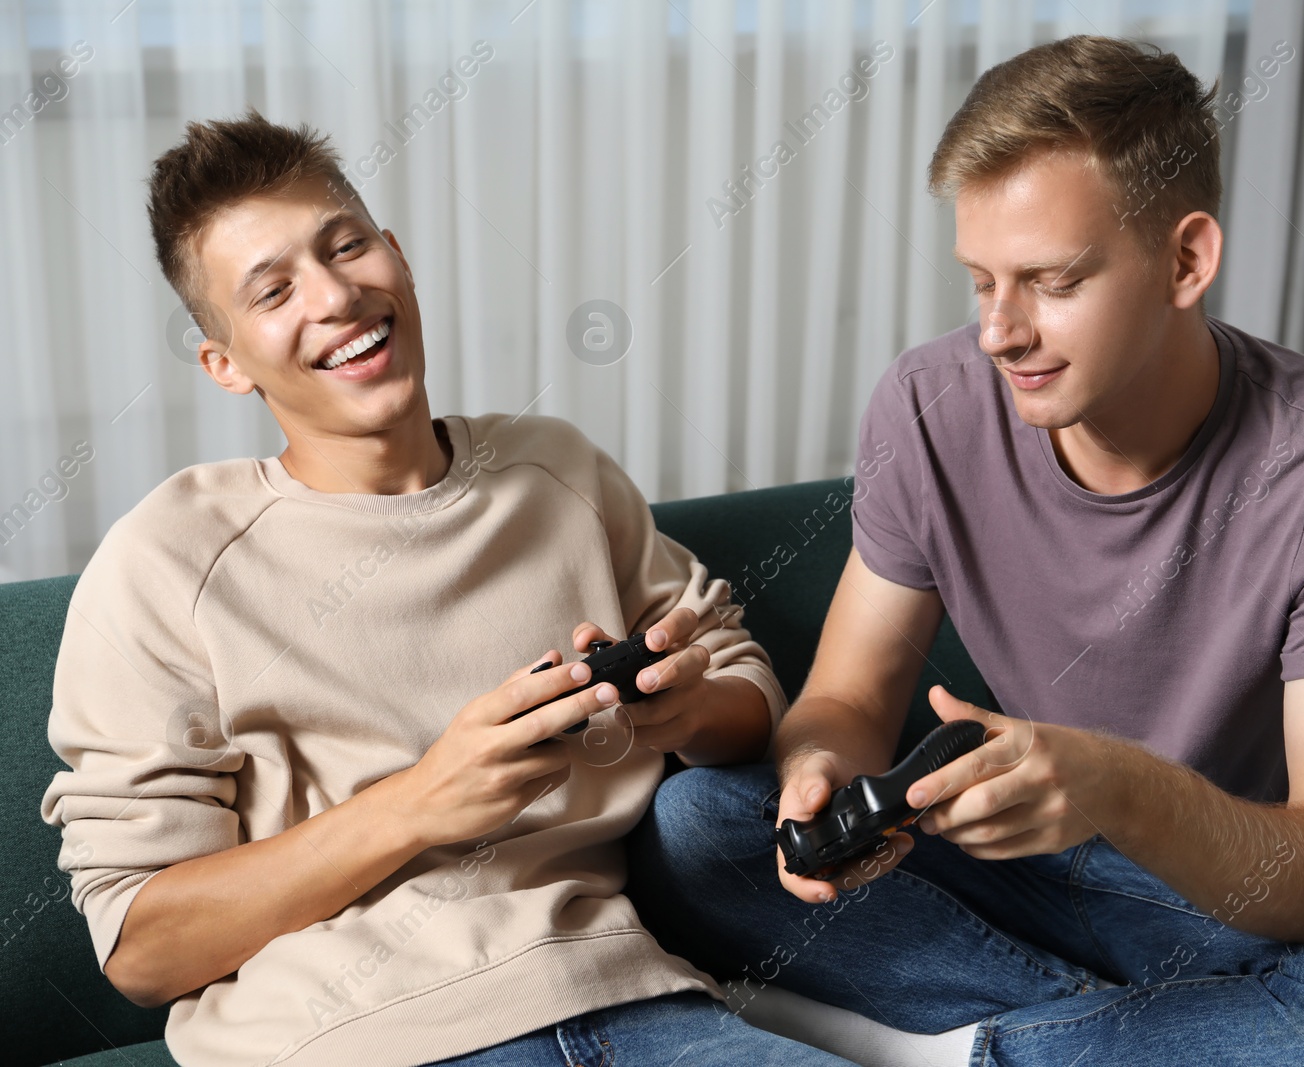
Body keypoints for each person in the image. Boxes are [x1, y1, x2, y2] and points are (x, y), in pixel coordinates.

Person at [628, 35, 1304, 1066]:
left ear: (1185, 260)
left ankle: (949, 1046)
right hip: (999, 862)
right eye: (979, 281)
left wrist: (1118, 784)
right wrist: (821, 779)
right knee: (695, 824)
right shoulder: (929, 404)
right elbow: (849, 699)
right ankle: (1100, 1038)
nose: (997, 331)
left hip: (1210, 902)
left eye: (1050, 281)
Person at [39, 109, 854, 1067]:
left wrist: (686, 710)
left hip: (635, 994)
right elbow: (142, 947)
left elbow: (747, 693)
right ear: (224, 363)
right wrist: (422, 801)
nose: (337, 295)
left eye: (347, 246)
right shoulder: (166, 561)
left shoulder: (556, 470)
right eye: (273, 291)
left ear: (399, 256)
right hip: (354, 1039)